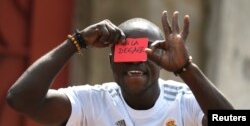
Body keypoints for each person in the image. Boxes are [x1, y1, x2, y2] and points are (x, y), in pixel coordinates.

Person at [6, 10, 234, 126]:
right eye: (127, 52)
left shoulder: (184, 102)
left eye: (146, 52)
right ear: (111, 62)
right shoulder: (92, 102)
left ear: (162, 61)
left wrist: (186, 69)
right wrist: (76, 42)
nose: (136, 61)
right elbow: (20, 99)